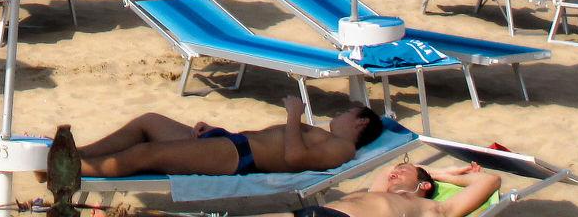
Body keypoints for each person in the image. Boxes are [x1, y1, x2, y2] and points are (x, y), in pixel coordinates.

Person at [72, 98, 381, 178]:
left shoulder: (343, 147)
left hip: (238, 156)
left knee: (146, 153)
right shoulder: (324, 137)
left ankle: (70, 169)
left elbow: (295, 158)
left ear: (360, 123)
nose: (340, 114)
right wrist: (216, 132)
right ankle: (76, 153)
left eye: (348, 112)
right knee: (149, 122)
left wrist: (293, 115)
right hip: (229, 143)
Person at [300, 159, 502, 216]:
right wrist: (441, 172)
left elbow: (490, 180)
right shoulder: (380, 190)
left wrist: (452, 177)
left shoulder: (433, 210)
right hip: (315, 212)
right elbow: (388, 168)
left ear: (424, 185)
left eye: (403, 170)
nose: (393, 173)